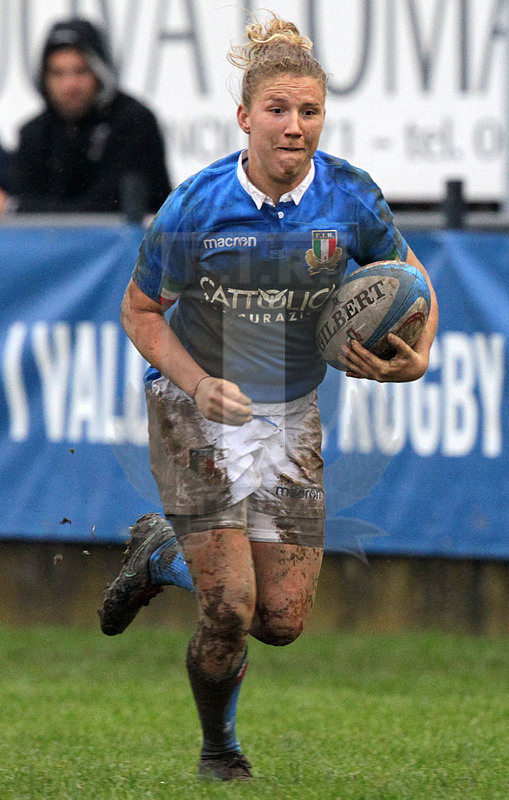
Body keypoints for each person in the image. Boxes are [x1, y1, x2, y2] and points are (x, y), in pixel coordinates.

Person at [98, 13, 438, 782]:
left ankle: (160, 554)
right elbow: (139, 311)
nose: (295, 126)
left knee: (280, 621)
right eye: (278, 111)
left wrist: (415, 358)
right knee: (230, 610)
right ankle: (221, 751)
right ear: (244, 116)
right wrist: (195, 382)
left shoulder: (349, 198)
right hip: (193, 410)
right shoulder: (196, 206)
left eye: (309, 110)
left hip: (290, 414)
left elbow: (412, 279)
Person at [13, 18, 171, 216]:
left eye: (81, 71)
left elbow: (113, 209)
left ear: (100, 72)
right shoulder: (33, 134)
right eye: (58, 73)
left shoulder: (134, 122)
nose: (70, 85)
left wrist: (17, 208)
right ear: (44, 78)